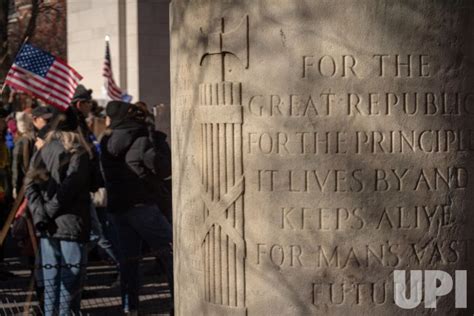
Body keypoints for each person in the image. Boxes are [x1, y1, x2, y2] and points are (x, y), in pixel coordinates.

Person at [100, 101, 173, 314]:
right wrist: (156, 139)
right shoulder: (142, 138)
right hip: (143, 205)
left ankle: (129, 307)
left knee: (129, 261)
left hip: (118, 207)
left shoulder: (106, 140)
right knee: (171, 252)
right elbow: (160, 167)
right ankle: (179, 303)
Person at [25, 108, 92, 315]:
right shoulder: (78, 153)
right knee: (68, 282)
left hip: (49, 224)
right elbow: (70, 187)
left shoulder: (43, 150)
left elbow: (29, 186)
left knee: (52, 280)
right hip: (69, 222)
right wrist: (46, 212)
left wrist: (41, 213)